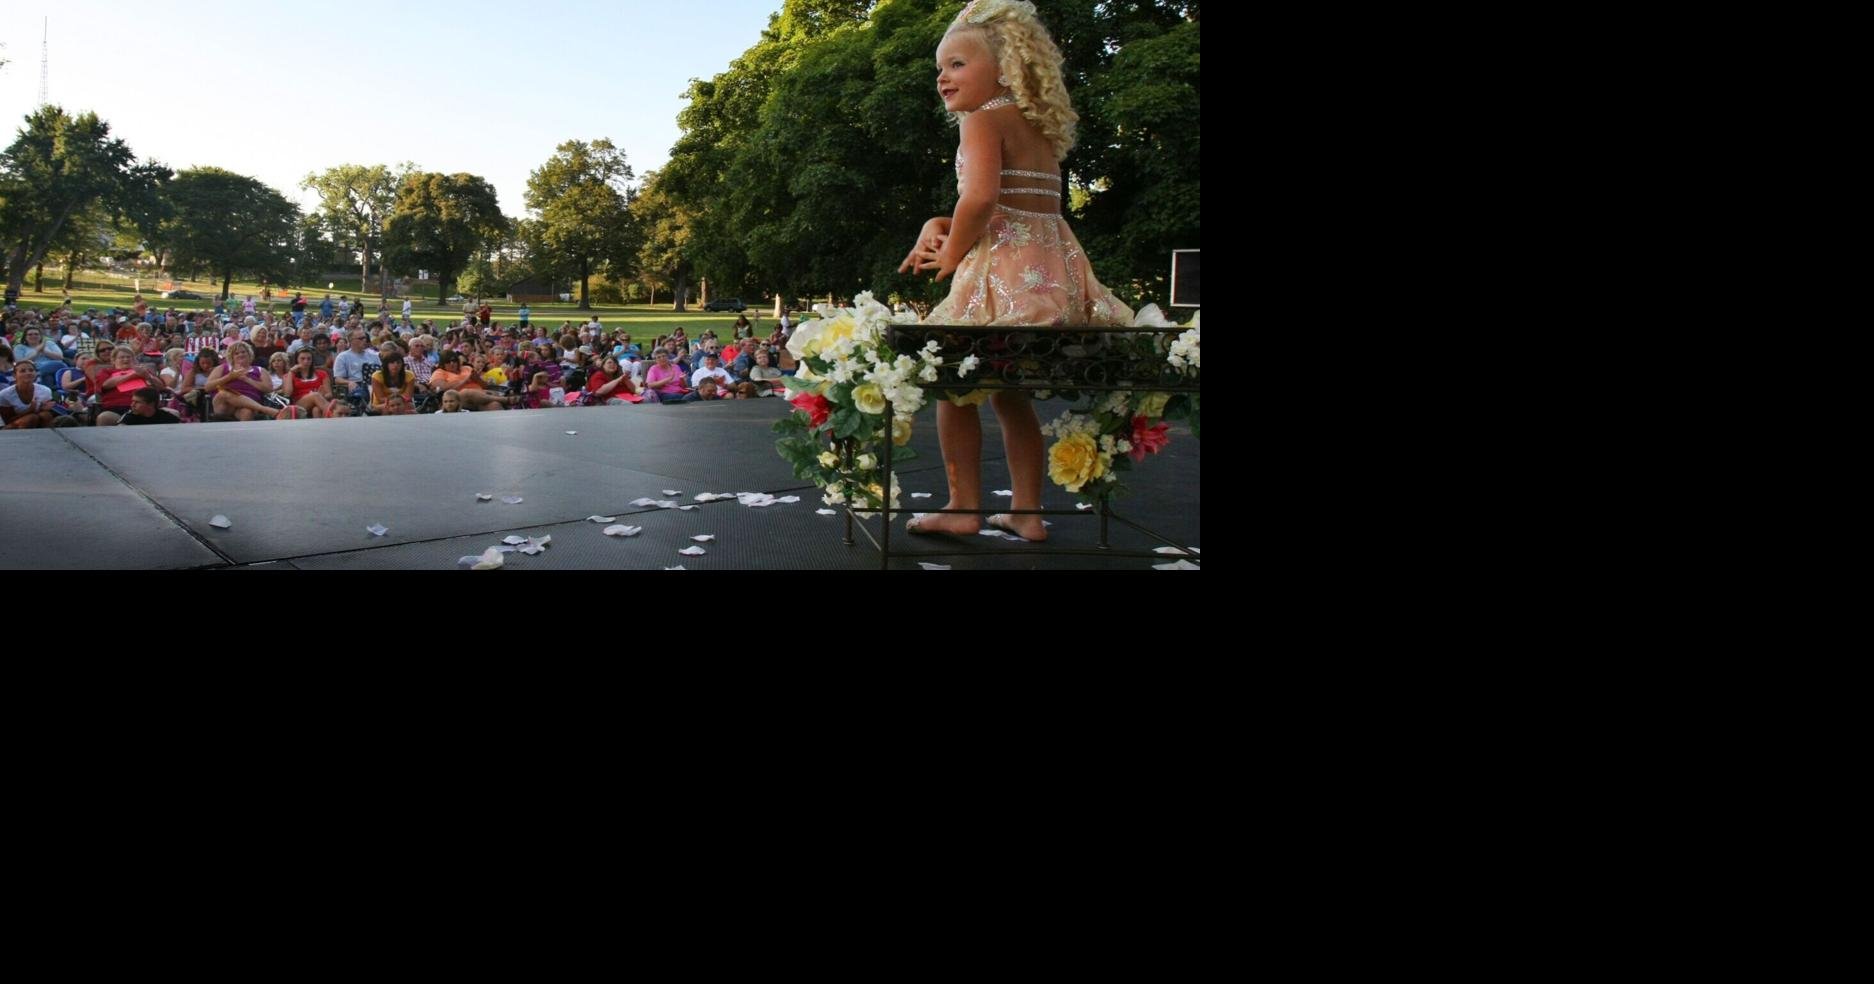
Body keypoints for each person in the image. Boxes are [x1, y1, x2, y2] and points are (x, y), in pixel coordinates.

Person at [897, 0, 1134, 542]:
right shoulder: (1036, 129)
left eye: (957, 64)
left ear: (1006, 68)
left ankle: (963, 508)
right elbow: (1018, 203)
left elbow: (979, 202)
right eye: (941, 68)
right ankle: (1027, 512)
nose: (943, 77)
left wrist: (953, 252)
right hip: (1052, 278)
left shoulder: (981, 120)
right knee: (1010, 394)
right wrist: (937, 223)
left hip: (1000, 281)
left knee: (953, 390)